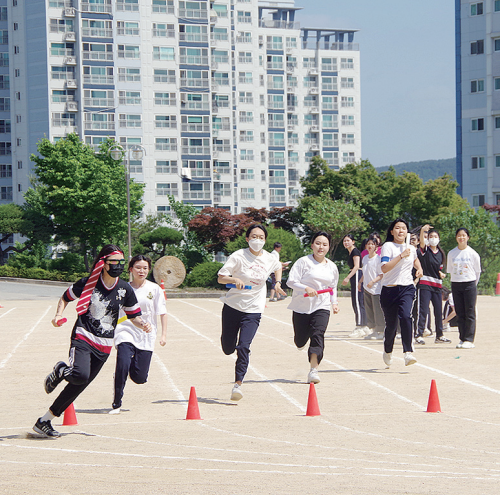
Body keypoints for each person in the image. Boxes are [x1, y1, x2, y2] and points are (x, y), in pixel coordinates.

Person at [33, 245, 152, 438]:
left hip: (104, 345)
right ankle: (62, 370)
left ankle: (44, 421)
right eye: (114, 262)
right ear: (103, 263)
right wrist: (58, 315)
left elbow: (134, 315)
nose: (118, 266)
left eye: (121, 262)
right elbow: (66, 297)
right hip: (83, 336)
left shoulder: (124, 288)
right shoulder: (89, 283)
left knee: (79, 384)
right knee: (80, 374)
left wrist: (143, 324)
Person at [217, 224, 285, 401]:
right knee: (228, 348)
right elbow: (221, 277)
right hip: (233, 307)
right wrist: (234, 279)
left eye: (261, 237)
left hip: (253, 310)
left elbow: (278, 266)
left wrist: (277, 282)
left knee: (244, 347)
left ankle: (238, 384)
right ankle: (226, 340)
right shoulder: (238, 256)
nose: (258, 240)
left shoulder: (269, 258)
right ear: (247, 239)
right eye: (254, 237)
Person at [109, 255, 167, 415]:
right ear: (130, 269)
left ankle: (129, 363)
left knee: (140, 377)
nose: (141, 271)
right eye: (138, 267)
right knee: (122, 364)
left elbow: (162, 312)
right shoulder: (122, 288)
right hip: (125, 329)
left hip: (146, 333)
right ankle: (116, 402)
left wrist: (163, 335)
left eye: (145, 268)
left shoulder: (155, 289)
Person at [286, 232, 340, 384]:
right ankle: (301, 341)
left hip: (321, 305)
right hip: (301, 307)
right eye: (317, 243)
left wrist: (334, 303)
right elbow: (291, 282)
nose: (320, 247)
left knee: (318, 334)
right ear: (312, 245)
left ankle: (313, 370)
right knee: (300, 340)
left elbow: (332, 287)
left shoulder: (332, 266)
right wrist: (306, 288)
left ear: (328, 247)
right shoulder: (303, 262)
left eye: (324, 244)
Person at [380, 219, 423, 368]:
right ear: (392, 231)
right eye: (397, 228)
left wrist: (419, 268)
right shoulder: (388, 246)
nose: (400, 231)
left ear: (407, 232)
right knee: (391, 326)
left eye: (403, 228)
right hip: (389, 290)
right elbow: (385, 268)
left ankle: (408, 352)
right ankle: (387, 350)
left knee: (406, 316)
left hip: (407, 288)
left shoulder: (411, 248)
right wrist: (400, 256)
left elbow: (415, 260)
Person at [415, 225, 450, 344]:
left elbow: (438, 268)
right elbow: (421, 243)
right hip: (425, 284)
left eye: (435, 236)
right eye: (431, 236)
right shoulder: (425, 250)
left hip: (437, 285)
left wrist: (441, 273)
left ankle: (439, 335)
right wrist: (423, 230)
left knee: (438, 311)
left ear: (439, 239)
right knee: (423, 310)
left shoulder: (440, 253)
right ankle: (419, 334)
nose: (433, 238)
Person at [447, 227, 481, 349]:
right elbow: (450, 270)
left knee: (469, 312)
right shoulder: (451, 253)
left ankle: (469, 339)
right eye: (459, 235)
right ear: (456, 238)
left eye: (464, 235)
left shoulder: (473, 253)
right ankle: (462, 338)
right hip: (456, 283)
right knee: (460, 312)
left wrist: (472, 285)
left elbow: (477, 272)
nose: (461, 238)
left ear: (468, 237)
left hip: (469, 284)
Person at [358, 235, 384, 340]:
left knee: (377, 310)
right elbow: (365, 272)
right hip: (366, 288)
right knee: (369, 310)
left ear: (376, 247)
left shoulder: (378, 259)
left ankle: (381, 331)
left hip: (376, 289)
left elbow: (381, 274)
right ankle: (373, 330)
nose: (370, 246)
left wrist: (373, 281)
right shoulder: (364, 258)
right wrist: (360, 282)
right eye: (368, 244)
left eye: (372, 244)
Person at [342, 234, 368, 338]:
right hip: (355, 275)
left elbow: (357, 266)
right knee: (358, 301)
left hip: (357, 275)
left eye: (348, 240)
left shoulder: (355, 251)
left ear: (353, 242)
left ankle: (360, 326)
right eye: (344, 241)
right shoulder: (350, 252)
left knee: (357, 301)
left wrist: (347, 277)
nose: (346, 243)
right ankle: (364, 325)